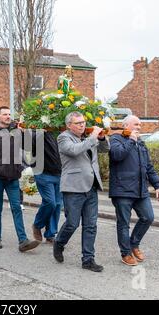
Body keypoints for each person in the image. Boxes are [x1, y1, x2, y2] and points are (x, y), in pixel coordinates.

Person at [53, 112, 110, 273]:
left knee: (91, 225)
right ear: (69, 125)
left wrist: (101, 138)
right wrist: (92, 136)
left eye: (83, 122)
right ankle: (59, 242)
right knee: (72, 223)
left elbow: (105, 149)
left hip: (91, 186)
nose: (82, 125)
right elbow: (73, 151)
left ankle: (88, 259)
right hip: (73, 187)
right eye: (77, 123)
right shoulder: (63, 138)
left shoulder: (88, 137)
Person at [0, 106, 41, 252]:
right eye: (5, 114)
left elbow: (27, 149)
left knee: (16, 207)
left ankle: (23, 240)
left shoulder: (17, 131)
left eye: (9, 114)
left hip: (13, 177)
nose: (8, 116)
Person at [109, 115, 159, 266]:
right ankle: (125, 253)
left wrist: (157, 186)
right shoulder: (116, 139)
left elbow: (149, 167)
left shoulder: (141, 143)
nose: (139, 127)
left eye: (140, 125)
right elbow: (117, 155)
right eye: (136, 124)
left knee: (148, 217)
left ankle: (134, 244)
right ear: (125, 125)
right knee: (123, 223)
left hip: (140, 190)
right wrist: (131, 141)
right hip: (122, 190)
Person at [30, 129, 63, 245]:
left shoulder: (60, 132)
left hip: (59, 173)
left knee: (57, 204)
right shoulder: (36, 132)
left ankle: (50, 234)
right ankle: (37, 225)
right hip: (43, 173)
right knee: (50, 202)